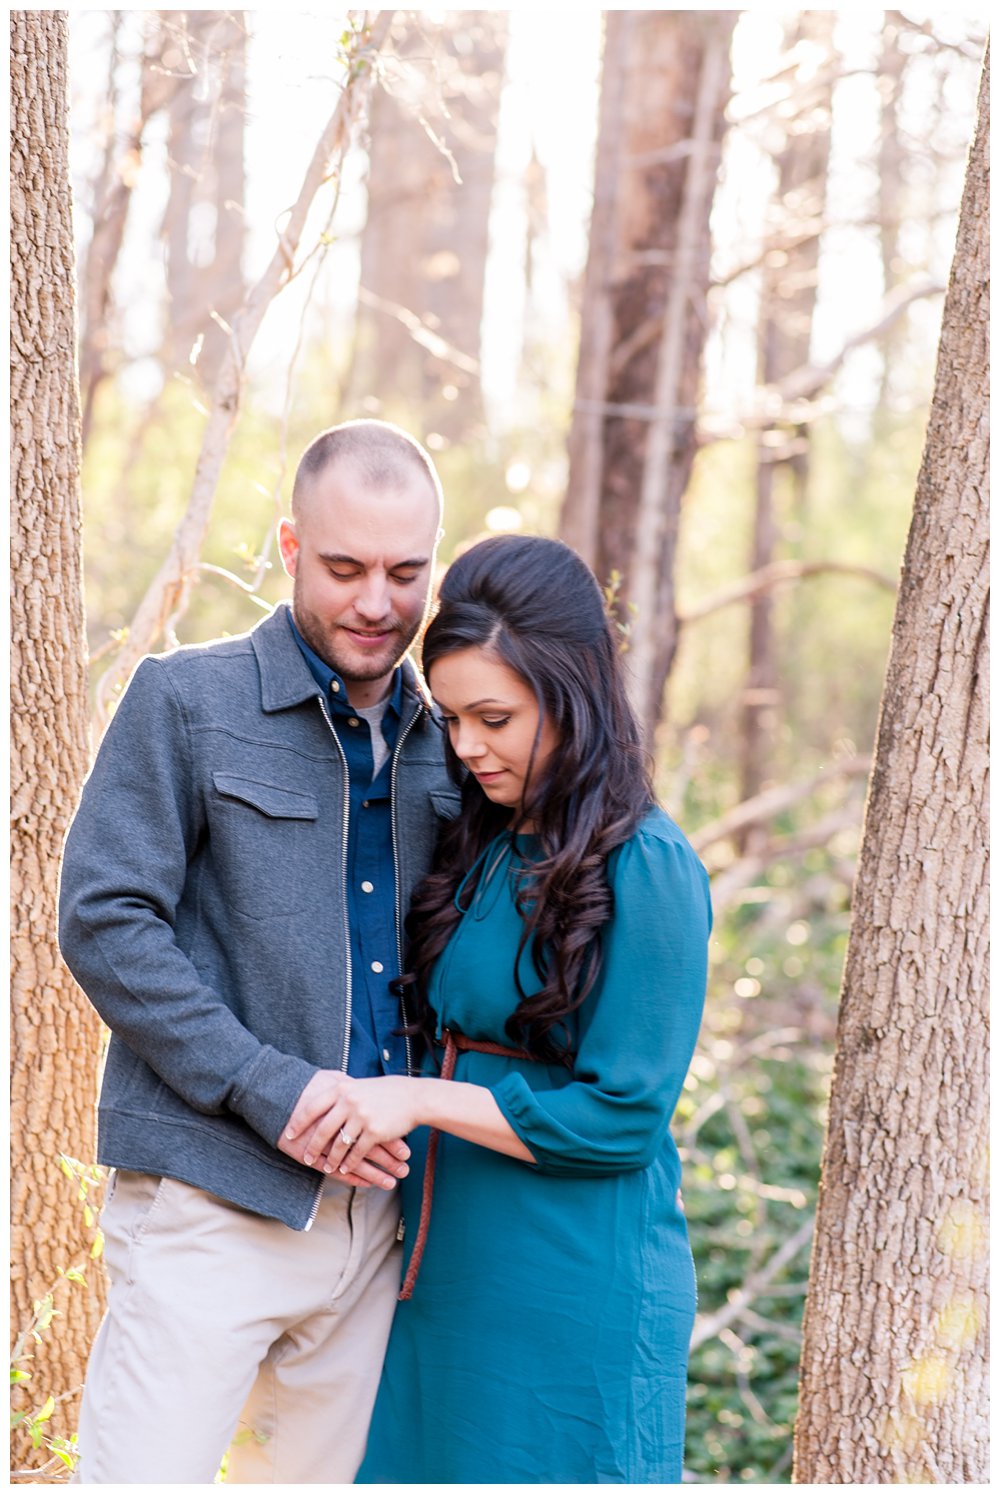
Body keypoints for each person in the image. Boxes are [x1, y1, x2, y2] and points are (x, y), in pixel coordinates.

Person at [57, 419, 459, 1484]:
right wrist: (268, 1088)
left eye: (405, 572)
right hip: (211, 1205)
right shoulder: (185, 701)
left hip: (379, 1227)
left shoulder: (454, 744)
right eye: (344, 568)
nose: (377, 603)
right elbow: (104, 918)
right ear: (288, 548)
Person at [285, 533, 712, 1483]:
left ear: (572, 698)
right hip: (444, 1271)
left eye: (495, 718)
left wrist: (417, 1101)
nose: (467, 746)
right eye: (453, 717)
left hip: (570, 1285)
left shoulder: (648, 865)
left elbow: (623, 1118)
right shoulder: (488, 839)